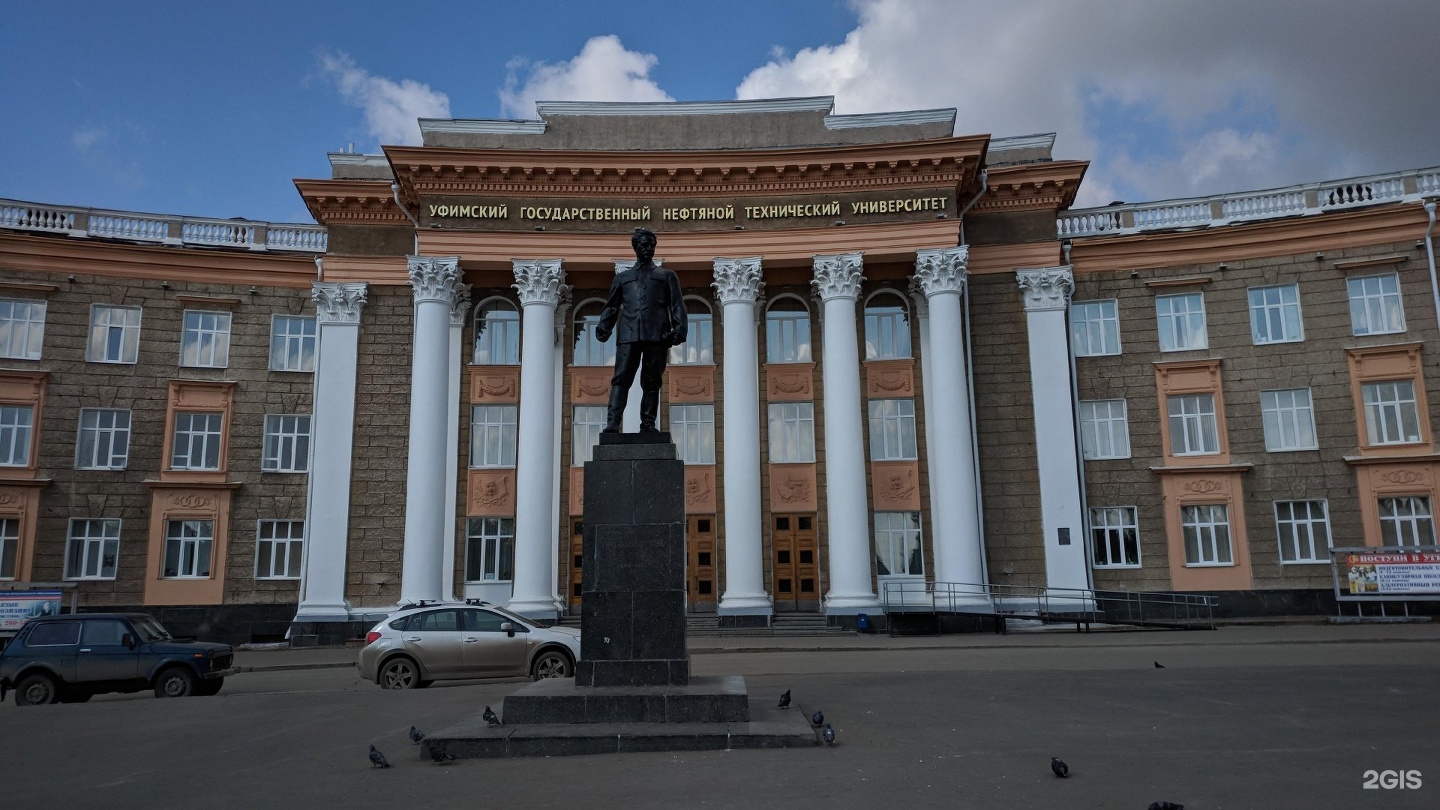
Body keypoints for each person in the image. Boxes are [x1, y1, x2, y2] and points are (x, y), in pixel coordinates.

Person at [595, 228, 687, 433]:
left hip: (657, 335)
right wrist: (604, 325)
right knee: (621, 379)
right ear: (635, 247)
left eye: (651, 245)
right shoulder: (623, 278)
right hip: (628, 335)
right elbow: (611, 305)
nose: (648, 248)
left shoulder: (666, 276)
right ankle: (612, 423)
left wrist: (679, 329)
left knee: (652, 381)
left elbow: (677, 305)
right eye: (643, 245)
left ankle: (648, 424)